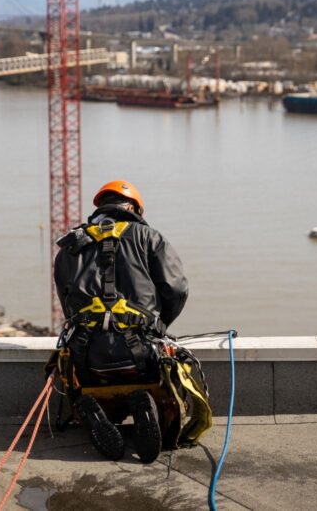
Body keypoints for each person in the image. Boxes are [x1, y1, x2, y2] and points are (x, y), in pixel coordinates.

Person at [52, 180, 190, 463]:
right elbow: (176, 289)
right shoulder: (150, 238)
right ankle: (150, 412)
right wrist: (159, 326)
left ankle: (94, 409)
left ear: (100, 207)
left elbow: (67, 303)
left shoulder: (69, 246)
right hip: (140, 355)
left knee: (85, 377)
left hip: (87, 357)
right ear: (133, 208)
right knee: (171, 383)